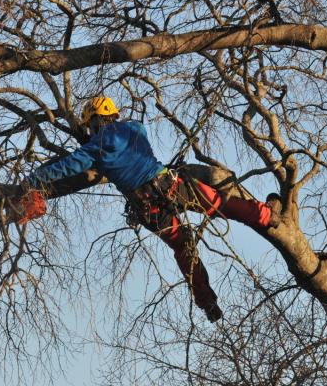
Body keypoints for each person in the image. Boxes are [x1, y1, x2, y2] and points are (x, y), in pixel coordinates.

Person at [26, 97, 281, 322]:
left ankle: (207, 303)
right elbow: (127, 140)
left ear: (95, 122)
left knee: (183, 247)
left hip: (150, 210)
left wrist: (35, 179)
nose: (90, 133)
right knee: (222, 205)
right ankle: (267, 215)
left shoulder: (95, 149)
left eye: (91, 127)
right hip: (172, 186)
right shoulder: (135, 128)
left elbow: (69, 166)